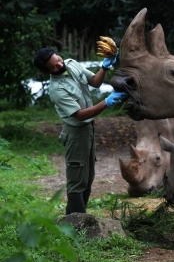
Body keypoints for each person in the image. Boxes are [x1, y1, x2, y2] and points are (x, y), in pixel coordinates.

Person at [33, 46, 127, 215]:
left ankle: (71, 222)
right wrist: (107, 102)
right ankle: (80, 227)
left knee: (87, 179)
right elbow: (80, 115)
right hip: (76, 133)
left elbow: (95, 82)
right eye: (54, 66)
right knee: (77, 182)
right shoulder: (56, 90)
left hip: (88, 130)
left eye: (59, 60)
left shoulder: (72, 64)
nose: (60, 65)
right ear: (46, 71)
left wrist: (104, 67)